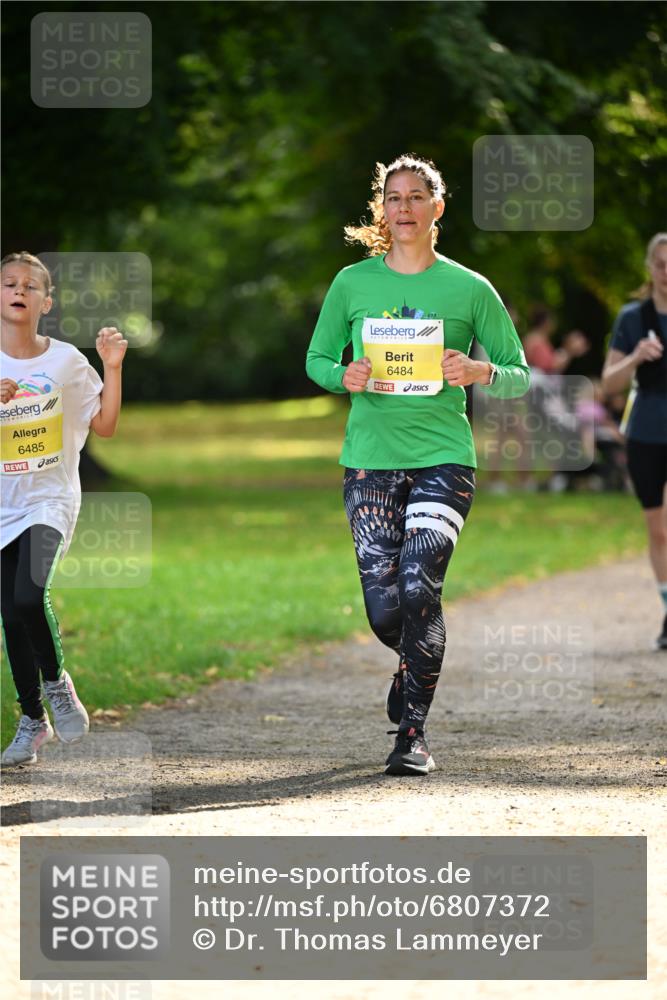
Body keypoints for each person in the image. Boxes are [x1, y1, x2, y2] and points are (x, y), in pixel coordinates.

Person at [305, 154, 530, 776]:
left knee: (418, 587)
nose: (403, 209)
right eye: (393, 198)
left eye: (415, 197)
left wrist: (482, 371)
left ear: (437, 207)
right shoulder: (352, 283)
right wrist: (340, 374)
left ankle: (412, 735)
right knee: (385, 611)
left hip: (443, 458)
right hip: (370, 463)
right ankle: (412, 662)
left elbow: (519, 374)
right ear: (384, 209)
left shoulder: (469, 288)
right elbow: (317, 358)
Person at [1, 251, 127, 766]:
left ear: (45, 302)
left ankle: (57, 685)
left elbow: (105, 426)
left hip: (49, 499)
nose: (19, 290)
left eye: (31, 286)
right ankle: (32, 722)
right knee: (9, 613)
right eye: (9, 282)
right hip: (2, 502)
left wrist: (112, 368)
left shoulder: (67, 362)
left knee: (29, 596)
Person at [602, 233, 667, 650]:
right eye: (660, 263)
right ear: (650, 267)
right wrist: (636, 356)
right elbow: (609, 384)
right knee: (659, 531)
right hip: (646, 432)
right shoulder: (632, 318)